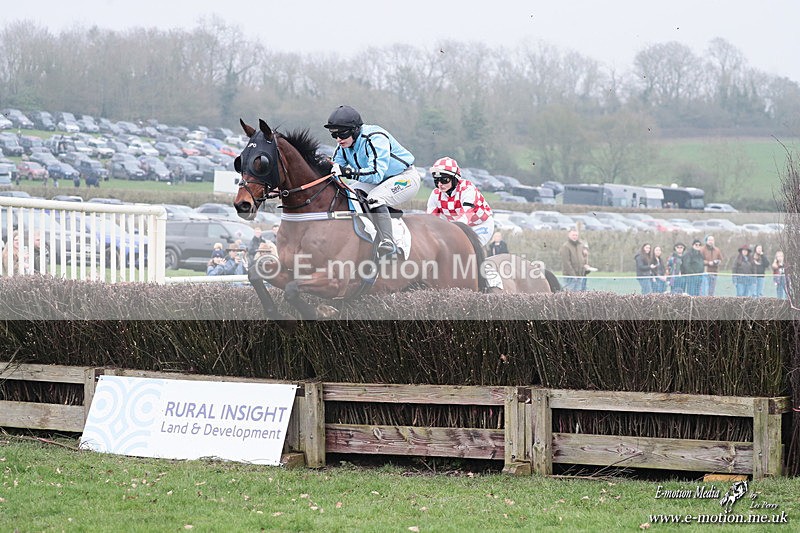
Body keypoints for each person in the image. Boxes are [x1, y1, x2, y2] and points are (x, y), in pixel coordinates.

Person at [324, 105, 420, 257]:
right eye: (333, 135)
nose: (338, 139)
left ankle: (389, 242)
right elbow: (333, 169)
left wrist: (347, 172)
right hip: (378, 181)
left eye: (341, 134)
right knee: (348, 195)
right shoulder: (343, 145)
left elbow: (376, 174)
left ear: (355, 129)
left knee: (376, 198)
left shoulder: (375, 138)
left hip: (404, 178)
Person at [426, 157, 494, 246]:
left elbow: (465, 217)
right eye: (436, 180)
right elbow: (431, 220)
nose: (440, 184)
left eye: (444, 180)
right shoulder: (435, 194)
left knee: (469, 248)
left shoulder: (467, 189)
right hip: (456, 227)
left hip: (479, 225)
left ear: (455, 179)